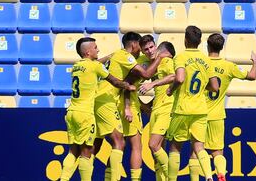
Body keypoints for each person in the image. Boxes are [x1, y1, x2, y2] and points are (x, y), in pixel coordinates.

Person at [93, 32, 171, 181]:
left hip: (108, 102)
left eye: (150, 47)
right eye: (143, 48)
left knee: (115, 145)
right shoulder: (134, 60)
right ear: (135, 45)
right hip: (120, 103)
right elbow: (142, 76)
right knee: (135, 146)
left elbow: (102, 63)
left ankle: (109, 177)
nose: (146, 51)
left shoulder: (119, 54)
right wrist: (128, 107)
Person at [60, 37, 136, 181]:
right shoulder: (95, 67)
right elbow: (114, 81)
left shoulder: (76, 66)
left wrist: (107, 57)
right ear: (88, 52)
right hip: (85, 114)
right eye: (95, 48)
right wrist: (128, 86)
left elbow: (94, 65)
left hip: (71, 112)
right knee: (87, 151)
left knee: (73, 151)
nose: (98, 50)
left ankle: (63, 178)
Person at [188, 33, 256, 181]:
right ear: (222, 48)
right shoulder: (229, 66)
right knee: (217, 152)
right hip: (217, 116)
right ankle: (221, 175)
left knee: (196, 150)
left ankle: (202, 178)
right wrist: (255, 62)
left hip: (198, 114)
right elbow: (252, 76)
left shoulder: (201, 63)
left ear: (207, 46)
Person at [166, 26, 219, 181]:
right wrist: (203, 85)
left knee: (176, 147)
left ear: (185, 40)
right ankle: (209, 176)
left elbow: (180, 78)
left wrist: (171, 89)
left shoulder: (181, 57)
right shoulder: (206, 59)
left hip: (182, 109)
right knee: (199, 147)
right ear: (200, 41)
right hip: (200, 109)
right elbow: (215, 87)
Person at [138, 40, 176, 181]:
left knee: (153, 144)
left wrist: (152, 83)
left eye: (152, 47)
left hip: (167, 107)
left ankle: (172, 178)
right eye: (146, 49)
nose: (150, 51)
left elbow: (174, 76)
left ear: (156, 46)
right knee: (156, 150)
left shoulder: (166, 61)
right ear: (143, 51)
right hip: (156, 108)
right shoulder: (146, 62)